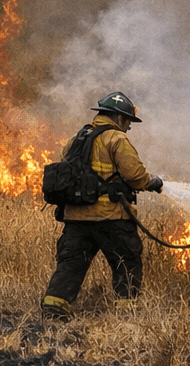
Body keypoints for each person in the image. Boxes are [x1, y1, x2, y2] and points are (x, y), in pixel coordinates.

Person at [41, 92, 164, 317]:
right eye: (127, 121)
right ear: (118, 118)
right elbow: (135, 175)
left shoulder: (77, 139)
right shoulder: (117, 139)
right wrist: (152, 182)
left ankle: (53, 311)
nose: (128, 127)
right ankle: (127, 315)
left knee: (70, 266)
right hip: (111, 217)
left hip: (76, 217)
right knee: (126, 263)